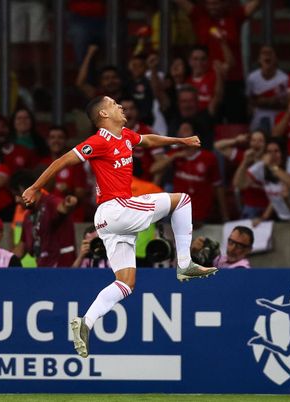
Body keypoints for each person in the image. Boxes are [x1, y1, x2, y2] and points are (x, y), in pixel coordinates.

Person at [21, 96, 217, 358]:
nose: (120, 106)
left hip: (108, 223)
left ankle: (85, 322)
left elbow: (147, 140)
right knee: (182, 200)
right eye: (114, 104)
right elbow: (64, 160)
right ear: (103, 114)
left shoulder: (125, 135)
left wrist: (179, 142)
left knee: (126, 283)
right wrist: (35, 187)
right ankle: (184, 264)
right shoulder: (99, 141)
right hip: (117, 209)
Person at [150, 120, 227, 224]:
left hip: (201, 212)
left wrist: (225, 216)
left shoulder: (209, 157)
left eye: (185, 130)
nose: (181, 133)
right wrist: (174, 157)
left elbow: (218, 186)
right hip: (179, 212)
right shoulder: (175, 154)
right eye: (180, 131)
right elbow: (154, 169)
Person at [234, 138, 290, 223]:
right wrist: (245, 162)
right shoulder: (261, 166)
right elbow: (239, 184)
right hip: (285, 218)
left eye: (276, 151)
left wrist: (272, 166)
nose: (272, 155)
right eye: (269, 152)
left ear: (283, 153)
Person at [12, 171, 79, 267]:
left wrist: (68, 204)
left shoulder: (50, 203)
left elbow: (62, 207)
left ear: (29, 190)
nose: (16, 200)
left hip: (62, 270)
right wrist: (1, 258)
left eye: (18, 194)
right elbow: (21, 248)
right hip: (43, 270)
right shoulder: (27, 217)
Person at [246, 45, 289, 132]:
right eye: (264, 53)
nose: (267, 56)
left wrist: (263, 101)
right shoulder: (252, 78)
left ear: (276, 59)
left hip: (277, 118)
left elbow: (286, 104)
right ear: (259, 59)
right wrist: (269, 101)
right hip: (258, 118)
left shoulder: (284, 79)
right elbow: (249, 101)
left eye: (270, 53)